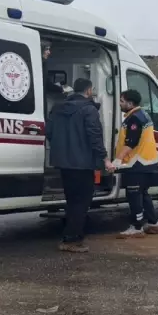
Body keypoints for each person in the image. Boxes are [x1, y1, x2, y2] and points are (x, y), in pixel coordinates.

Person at [46, 77, 106, 252]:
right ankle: (71, 239)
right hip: (83, 163)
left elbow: (49, 132)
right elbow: (95, 137)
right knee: (82, 202)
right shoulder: (89, 110)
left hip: (64, 163)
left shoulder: (57, 108)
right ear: (89, 91)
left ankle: (71, 235)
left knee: (72, 200)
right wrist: (103, 157)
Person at [110, 89, 158, 236]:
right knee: (143, 194)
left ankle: (137, 227)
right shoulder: (142, 114)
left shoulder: (134, 119)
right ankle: (153, 223)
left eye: (122, 101)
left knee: (134, 195)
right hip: (146, 163)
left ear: (130, 103)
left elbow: (131, 143)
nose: (120, 103)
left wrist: (118, 159)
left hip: (136, 164)